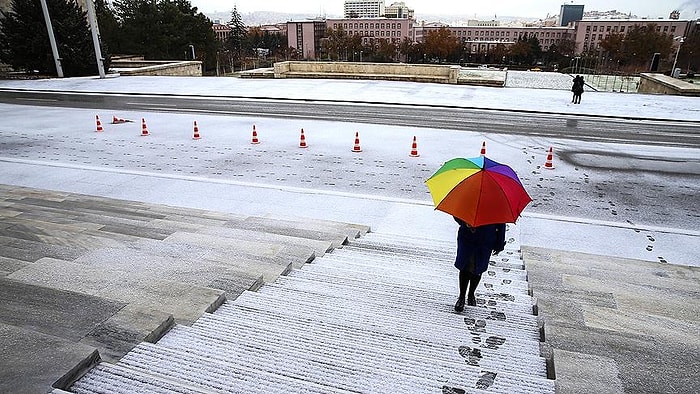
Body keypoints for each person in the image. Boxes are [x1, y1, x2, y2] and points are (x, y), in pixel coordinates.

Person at [453, 217, 506, 312]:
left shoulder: (497, 204)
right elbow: (457, 213)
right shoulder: (467, 201)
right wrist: (465, 222)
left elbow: (501, 224)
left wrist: (499, 244)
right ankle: (461, 297)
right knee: (465, 266)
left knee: (478, 268)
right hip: (467, 237)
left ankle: (471, 293)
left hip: (485, 240)